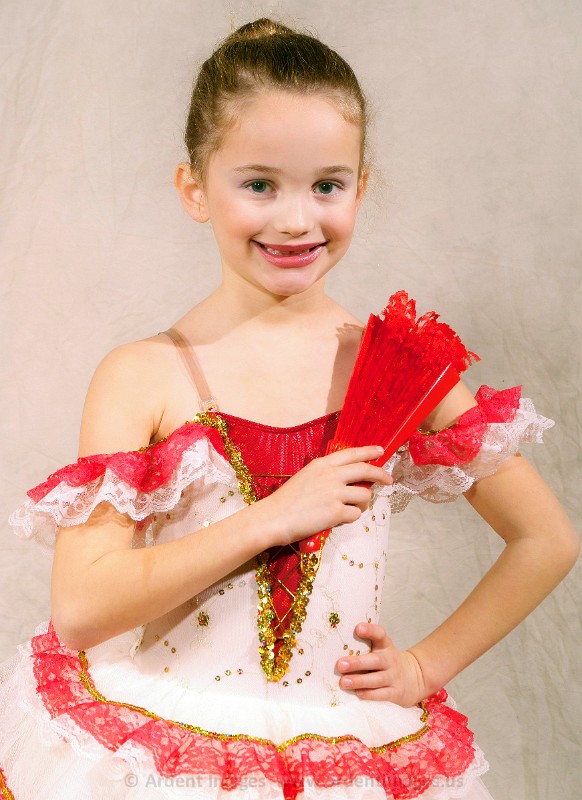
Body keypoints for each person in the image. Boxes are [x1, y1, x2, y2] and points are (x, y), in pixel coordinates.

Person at [0, 17, 578, 800]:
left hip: (347, 754)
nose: (297, 219)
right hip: (176, 755)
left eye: (327, 186)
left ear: (361, 188)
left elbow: (546, 539)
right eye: (259, 185)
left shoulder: (398, 375)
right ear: (194, 189)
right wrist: (272, 517)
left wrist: (422, 667)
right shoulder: (144, 375)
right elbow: (80, 609)